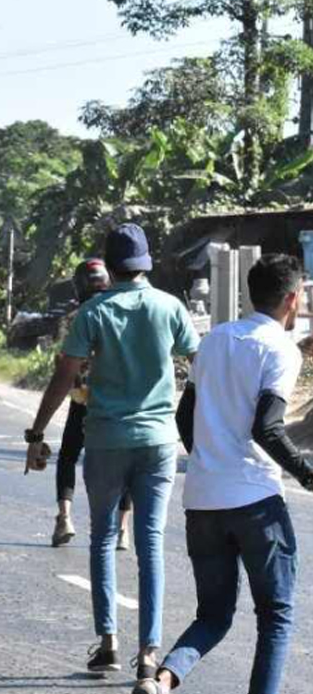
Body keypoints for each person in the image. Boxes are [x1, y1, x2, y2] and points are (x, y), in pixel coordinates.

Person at [24, 223, 199, 678]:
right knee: (150, 543)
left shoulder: (92, 313)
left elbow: (64, 378)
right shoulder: (169, 306)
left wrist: (37, 431)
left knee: (102, 539)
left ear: (110, 265)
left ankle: (109, 644)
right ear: (145, 263)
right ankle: (148, 653)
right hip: (159, 441)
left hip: (105, 440)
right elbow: (198, 362)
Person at [137, 254, 311, 694]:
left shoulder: (214, 339)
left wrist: (209, 462)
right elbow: (267, 427)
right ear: (292, 298)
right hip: (255, 503)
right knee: (275, 615)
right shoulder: (281, 350)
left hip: (202, 500)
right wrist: (307, 474)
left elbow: (184, 415)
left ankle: (161, 680)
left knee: (212, 615)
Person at [48, 259, 134, 549]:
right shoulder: (121, 310)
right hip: (119, 399)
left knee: (68, 456)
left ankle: (65, 517)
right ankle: (122, 530)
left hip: (83, 399)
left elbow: (64, 363)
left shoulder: (75, 316)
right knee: (125, 463)